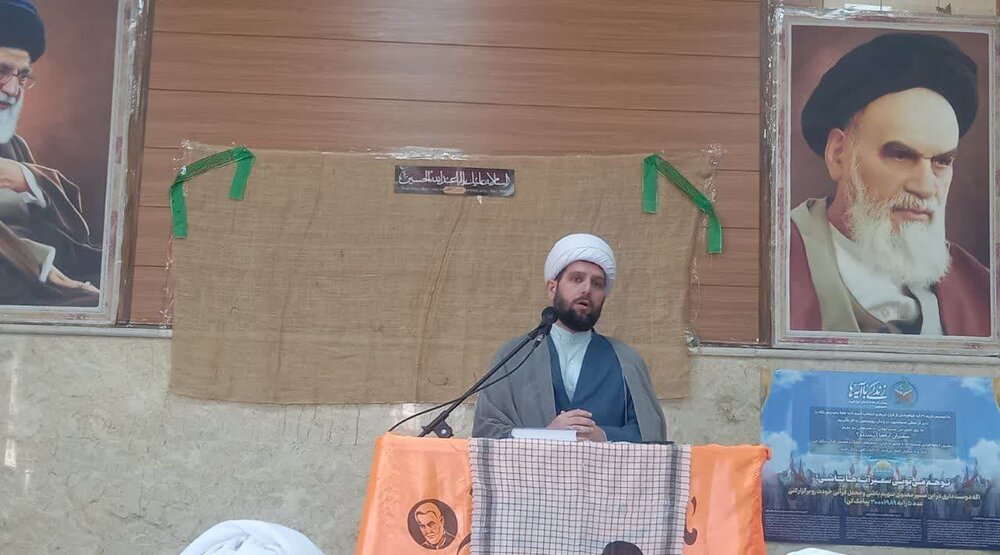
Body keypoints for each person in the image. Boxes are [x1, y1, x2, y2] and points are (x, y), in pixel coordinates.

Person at [790, 33, 989, 336]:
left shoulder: (981, 291)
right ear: (839, 154)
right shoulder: (775, 263)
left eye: (942, 161)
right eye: (900, 155)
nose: (925, 187)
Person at [473, 233, 667, 442]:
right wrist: (545, 436)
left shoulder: (627, 361)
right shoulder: (514, 357)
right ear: (552, 288)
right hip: (533, 465)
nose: (587, 289)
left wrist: (603, 436)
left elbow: (651, 435)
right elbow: (486, 432)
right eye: (577, 279)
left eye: (597, 284)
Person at [0, 0, 101, 306]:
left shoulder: (13, 145)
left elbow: (71, 234)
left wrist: (26, 177)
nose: (13, 90)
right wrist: (40, 263)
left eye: (22, 77)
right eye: (2, 71)